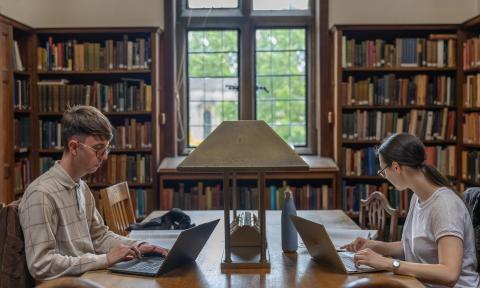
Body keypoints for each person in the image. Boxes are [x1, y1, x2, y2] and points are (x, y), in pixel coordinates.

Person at [19, 105, 168, 280]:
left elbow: (99, 237)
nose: (104, 157)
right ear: (74, 147)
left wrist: (137, 245)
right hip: (72, 285)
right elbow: (41, 265)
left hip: (91, 277)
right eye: (98, 149)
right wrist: (105, 259)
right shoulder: (41, 194)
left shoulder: (81, 186)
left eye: (106, 149)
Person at [341, 133, 479, 287]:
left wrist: (388, 263)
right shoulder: (417, 196)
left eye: (383, 171)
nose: (384, 176)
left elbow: (449, 274)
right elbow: (415, 246)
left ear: (396, 167)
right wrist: (374, 245)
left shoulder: (445, 206)